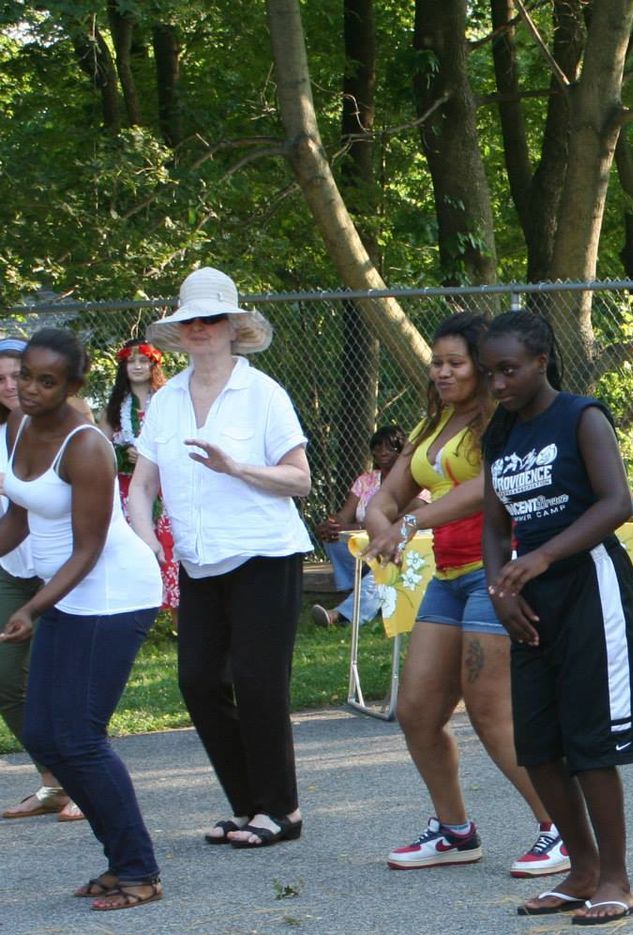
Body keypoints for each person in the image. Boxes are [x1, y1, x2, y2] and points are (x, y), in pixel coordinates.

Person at [363, 312, 567, 876]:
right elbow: (388, 493)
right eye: (436, 363)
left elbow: (488, 488)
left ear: (480, 368)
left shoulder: (503, 423)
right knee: (417, 711)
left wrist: (408, 524)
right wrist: (384, 520)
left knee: (489, 710)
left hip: (494, 572)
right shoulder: (435, 425)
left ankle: (562, 829)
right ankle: (455, 831)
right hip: (449, 579)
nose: (443, 372)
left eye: (455, 363)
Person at [125, 267, 312, 849]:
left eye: (211, 319)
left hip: (264, 555)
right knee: (198, 681)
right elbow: (141, 485)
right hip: (198, 561)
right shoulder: (167, 401)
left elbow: (299, 480)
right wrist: (145, 535)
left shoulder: (264, 394)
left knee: (259, 684)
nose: (200, 329)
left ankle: (282, 810)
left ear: (235, 328)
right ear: (178, 335)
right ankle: (247, 804)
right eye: (190, 322)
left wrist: (238, 468)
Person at [480, 309, 633, 918]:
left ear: (541, 361)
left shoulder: (581, 416)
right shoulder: (499, 433)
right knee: (539, 744)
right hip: (529, 593)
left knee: (589, 740)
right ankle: (580, 871)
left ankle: (616, 880)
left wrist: (543, 557)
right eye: (489, 373)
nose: (498, 384)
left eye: (509, 370)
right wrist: (502, 591)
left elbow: (616, 503)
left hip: (587, 583)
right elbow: (495, 526)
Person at [0, 331, 164, 908]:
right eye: (25, 377)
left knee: (78, 737)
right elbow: (21, 512)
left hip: (113, 593)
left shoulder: (87, 445)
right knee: (46, 734)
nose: (30, 389)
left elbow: (88, 548)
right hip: (66, 593)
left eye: (47, 381)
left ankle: (137, 870)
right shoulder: (17, 426)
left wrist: (30, 607)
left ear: (72, 386)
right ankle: (122, 861)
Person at [0, 335, 86, 822]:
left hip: (69, 571)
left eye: (28, 375)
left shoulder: (76, 433)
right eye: (10, 379)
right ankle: (52, 781)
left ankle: (83, 782)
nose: (18, 386)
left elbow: (90, 531)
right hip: (14, 565)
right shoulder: (10, 430)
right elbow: (15, 512)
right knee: (7, 680)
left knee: (63, 683)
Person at [104, 341, 181, 610]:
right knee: (132, 548)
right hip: (127, 492)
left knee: (171, 547)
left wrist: (152, 455)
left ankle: (180, 618)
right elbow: (99, 452)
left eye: (143, 361)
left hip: (166, 488)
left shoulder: (169, 401)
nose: (137, 366)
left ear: (154, 365)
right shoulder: (113, 410)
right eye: (131, 361)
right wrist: (124, 454)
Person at [310, 425, 408, 628]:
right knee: (335, 538)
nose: (382, 452)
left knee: (383, 565)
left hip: (396, 543)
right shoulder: (366, 480)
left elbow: (404, 519)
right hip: (363, 542)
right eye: (378, 447)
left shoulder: (411, 480)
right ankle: (351, 591)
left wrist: (361, 525)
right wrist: (331, 526)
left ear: (401, 451)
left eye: (390, 447)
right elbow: (344, 516)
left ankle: (340, 615)